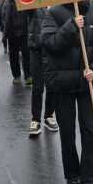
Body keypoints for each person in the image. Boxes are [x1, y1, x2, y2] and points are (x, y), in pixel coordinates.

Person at [41, 1, 93, 184]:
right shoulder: (54, 12)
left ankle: (91, 180)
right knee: (67, 130)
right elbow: (50, 44)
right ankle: (72, 174)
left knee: (90, 129)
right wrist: (71, 26)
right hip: (62, 81)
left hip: (87, 81)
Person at [27, 8, 58, 136]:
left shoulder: (59, 6)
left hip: (54, 50)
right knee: (38, 87)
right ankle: (35, 119)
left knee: (52, 86)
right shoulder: (35, 7)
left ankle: (49, 115)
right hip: (37, 50)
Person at [2, 0, 31, 85]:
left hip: (23, 32)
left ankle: (22, 76)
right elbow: (6, 19)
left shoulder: (24, 1)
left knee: (22, 56)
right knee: (18, 56)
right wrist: (5, 34)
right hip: (14, 33)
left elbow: (5, 19)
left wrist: (4, 35)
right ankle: (22, 76)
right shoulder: (9, 3)